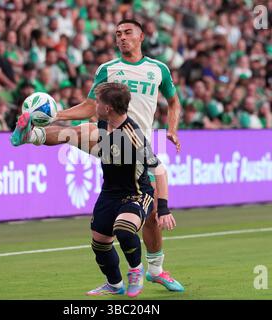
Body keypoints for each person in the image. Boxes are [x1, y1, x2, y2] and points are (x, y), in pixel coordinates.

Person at [11, 19, 184, 292]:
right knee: (77, 132)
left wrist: (172, 129)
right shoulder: (108, 69)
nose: (122, 37)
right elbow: (91, 106)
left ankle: (156, 270)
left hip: (136, 145)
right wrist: (53, 115)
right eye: (118, 34)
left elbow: (173, 101)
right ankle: (31, 135)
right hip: (107, 134)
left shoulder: (158, 69)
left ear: (141, 35)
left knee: (151, 215)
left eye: (127, 33)